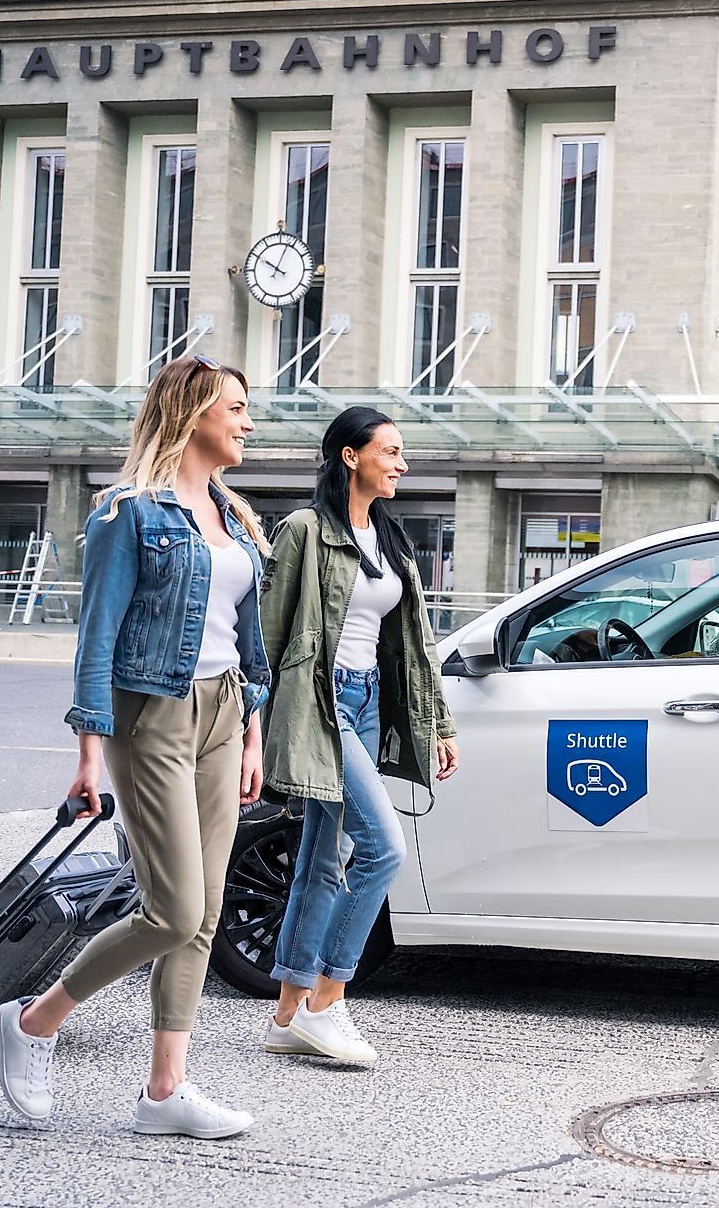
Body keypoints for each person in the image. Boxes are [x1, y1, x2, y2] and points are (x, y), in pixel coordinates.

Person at [0, 354, 272, 1138]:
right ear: (192, 413)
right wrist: (88, 752)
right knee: (174, 907)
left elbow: (245, 640)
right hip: (149, 712)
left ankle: (164, 1091)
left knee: (207, 911)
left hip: (223, 713)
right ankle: (36, 1019)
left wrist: (251, 730)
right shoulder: (128, 513)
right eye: (237, 408)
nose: (249, 422)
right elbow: (97, 637)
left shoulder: (233, 516)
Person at [259, 407, 458, 1065]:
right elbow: (267, 639)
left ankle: (287, 1013)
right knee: (383, 847)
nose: (401, 463)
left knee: (324, 858)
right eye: (390, 451)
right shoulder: (305, 531)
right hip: (323, 702)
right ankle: (327, 998)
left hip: (370, 701)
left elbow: (418, 644)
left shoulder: (390, 537)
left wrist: (438, 724)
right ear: (351, 456)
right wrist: (252, 732)